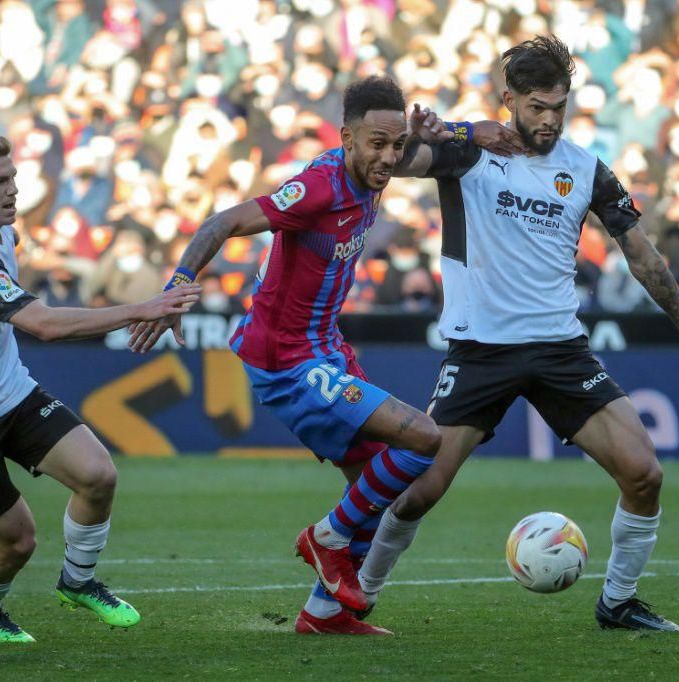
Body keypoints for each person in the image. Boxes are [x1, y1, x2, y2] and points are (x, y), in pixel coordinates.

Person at [358, 36, 679, 633]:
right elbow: (390, 164)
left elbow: (643, 257)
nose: (549, 120)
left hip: (561, 349)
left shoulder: (584, 169)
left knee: (645, 474)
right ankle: (357, 596)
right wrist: (449, 131)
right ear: (510, 101)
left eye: (559, 107)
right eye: (537, 107)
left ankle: (618, 602)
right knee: (419, 492)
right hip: (480, 348)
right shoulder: (470, 154)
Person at [128, 75, 525, 636]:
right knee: (423, 438)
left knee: (375, 487)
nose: (389, 158)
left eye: (394, 145)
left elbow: (420, 142)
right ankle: (325, 538)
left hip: (326, 351)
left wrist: (469, 128)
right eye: (377, 145)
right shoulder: (318, 188)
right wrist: (178, 284)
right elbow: (223, 222)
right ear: (346, 138)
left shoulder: (378, 158)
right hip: (286, 360)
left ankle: (322, 614)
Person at [0, 133, 200, 643]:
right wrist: (141, 307)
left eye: (14, 178)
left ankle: (78, 581)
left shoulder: (1, 234)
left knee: (98, 475)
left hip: (10, 393)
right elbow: (43, 325)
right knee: (17, 543)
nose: (13, 190)